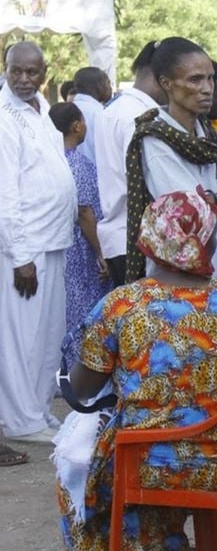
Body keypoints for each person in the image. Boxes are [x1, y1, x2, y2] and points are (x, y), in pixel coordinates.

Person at [56, 190, 217, 551]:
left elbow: (82, 391)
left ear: (148, 240)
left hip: (153, 466)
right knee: (153, 434)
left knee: (81, 461)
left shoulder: (121, 305)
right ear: (208, 243)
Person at [124, 37, 217, 290]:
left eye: (209, 78)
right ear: (167, 83)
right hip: (184, 282)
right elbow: (189, 215)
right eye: (195, 79)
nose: (207, 88)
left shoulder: (208, 136)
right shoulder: (155, 140)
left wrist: (214, 200)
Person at [0, 42, 77, 445]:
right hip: (25, 248)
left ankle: (38, 411)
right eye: (18, 72)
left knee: (48, 337)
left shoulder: (43, 109)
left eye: (33, 73)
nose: (25, 80)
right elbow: (5, 192)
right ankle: (19, 420)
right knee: (21, 338)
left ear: (44, 72)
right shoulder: (4, 116)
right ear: (6, 68)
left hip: (53, 240)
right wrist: (20, 256)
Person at [94, 40, 166, 287]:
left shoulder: (114, 110)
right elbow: (149, 180)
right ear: (160, 78)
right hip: (138, 240)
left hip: (119, 236)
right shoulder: (139, 115)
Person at [48, 101, 112, 367]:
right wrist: (101, 253)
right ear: (76, 126)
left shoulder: (50, 159)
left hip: (60, 244)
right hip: (81, 249)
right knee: (82, 308)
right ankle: (78, 371)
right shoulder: (76, 162)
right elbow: (84, 211)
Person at [70, 66, 113, 166]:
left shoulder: (67, 109)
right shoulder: (101, 114)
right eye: (108, 83)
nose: (110, 88)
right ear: (100, 85)